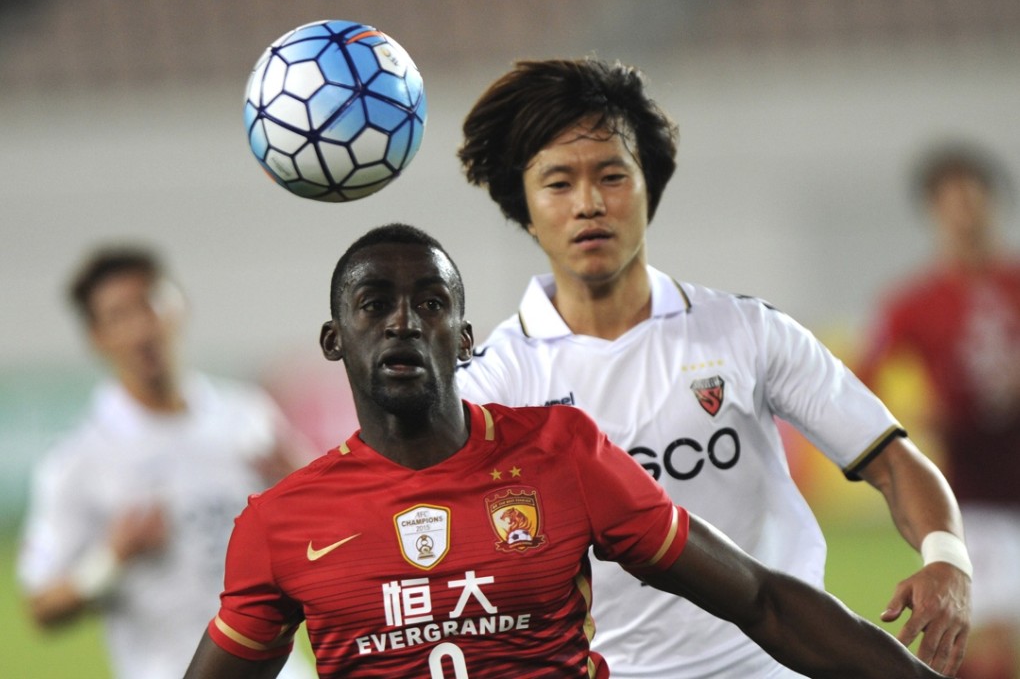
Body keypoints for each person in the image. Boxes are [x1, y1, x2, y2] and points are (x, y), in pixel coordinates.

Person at [184, 222, 952, 678]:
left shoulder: (560, 454)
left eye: (431, 305)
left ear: (466, 337)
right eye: (374, 305)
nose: (404, 324)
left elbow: (759, 598)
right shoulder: (281, 524)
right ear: (334, 339)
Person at [454, 58, 972, 678]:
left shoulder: (746, 332)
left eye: (612, 175)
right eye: (559, 183)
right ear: (525, 204)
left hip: (781, 663)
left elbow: (891, 460)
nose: (589, 203)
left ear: (650, 185)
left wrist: (947, 558)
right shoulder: (493, 384)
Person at [16, 246, 317, 679]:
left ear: (179, 305)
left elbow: (325, 540)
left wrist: (303, 481)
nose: (142, 328)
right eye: (118, 316)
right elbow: (42, 605)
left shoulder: (247, 417)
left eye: (150, 303)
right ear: (96, 337)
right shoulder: (79, 460)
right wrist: (111, 560)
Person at [858, 143, 1020, 679]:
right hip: (977, 495)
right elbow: (862, 383)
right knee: (992, 647)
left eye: (973, 198)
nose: (964, 211)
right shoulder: (913, 301)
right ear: (933, 210)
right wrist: (915, 421)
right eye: (951, 201)